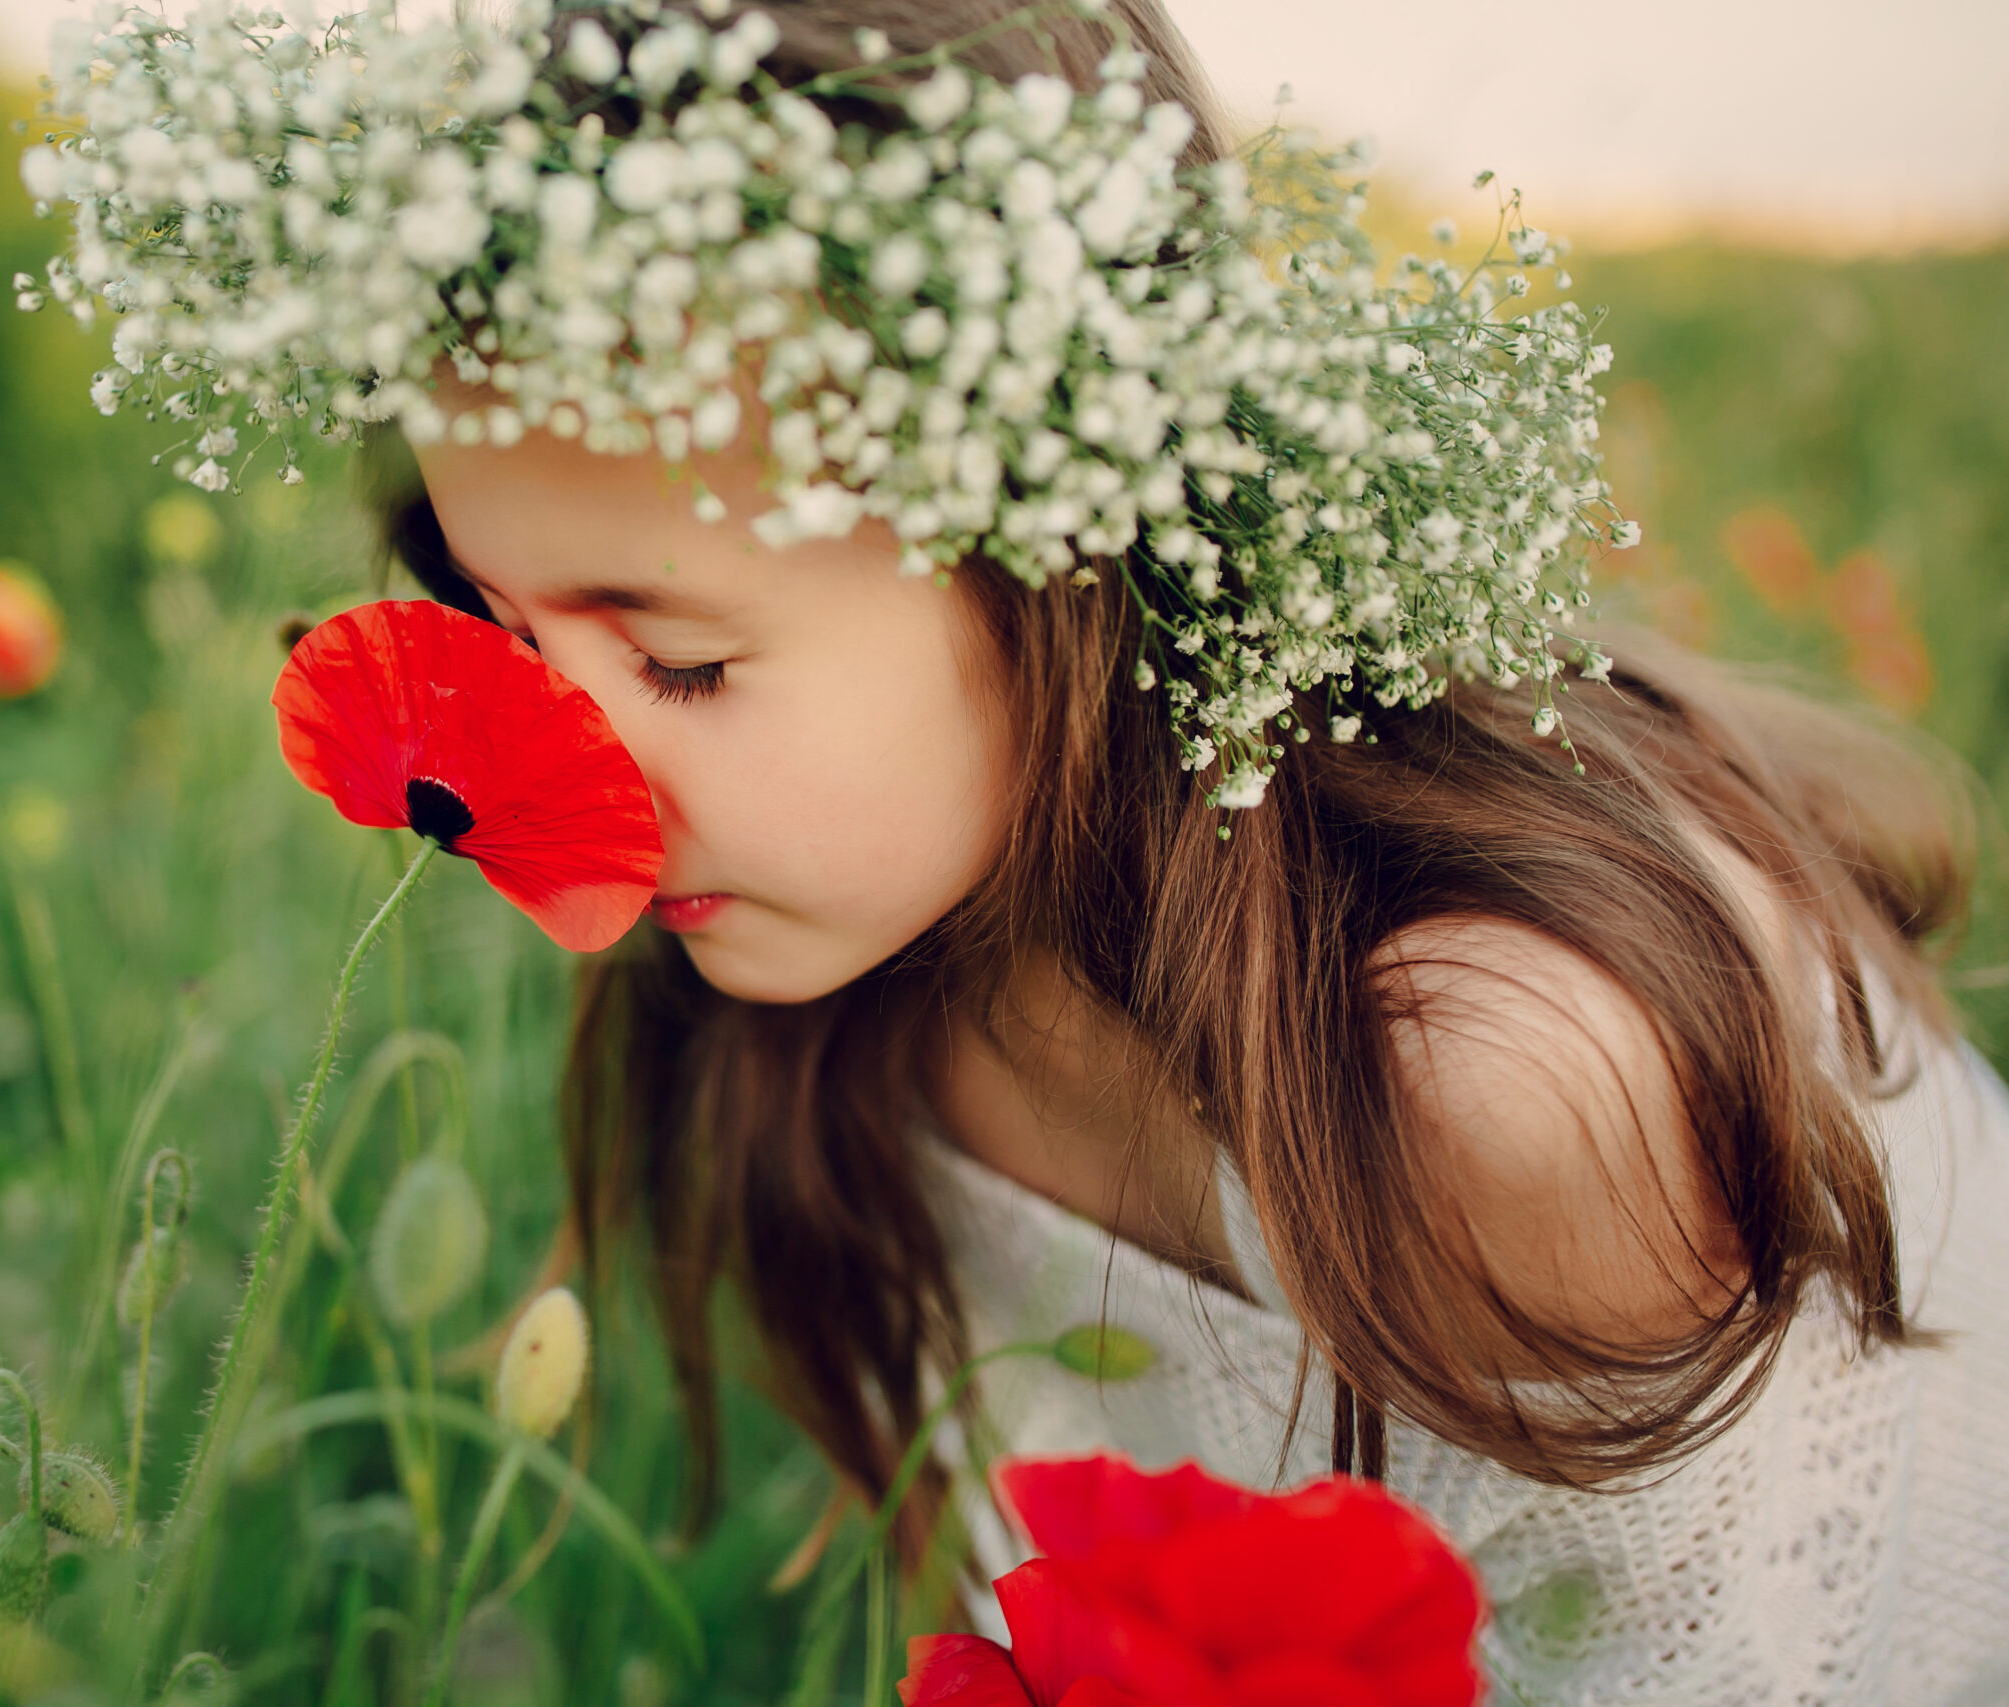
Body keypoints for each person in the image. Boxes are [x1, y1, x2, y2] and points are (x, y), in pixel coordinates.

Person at [370, 6, 2009, 1700]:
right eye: (500, 632)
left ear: (1063, 547)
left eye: (685, 665)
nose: (551, 781)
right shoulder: (842, 982)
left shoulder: (1499, 1087)